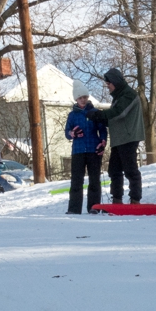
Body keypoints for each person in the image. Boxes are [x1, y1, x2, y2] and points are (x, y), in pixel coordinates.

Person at [86, 68, 144, 204]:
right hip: (119, 139)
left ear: (115, 82)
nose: (108, 87)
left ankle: (135, 199)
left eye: (109, 84)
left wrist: (98, 114)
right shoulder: (118, 97)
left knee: (130, 170)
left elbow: (119, 113)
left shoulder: (129, 95)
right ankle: (117, 199)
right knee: (114, 170)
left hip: (129, 137)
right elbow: (112, 119)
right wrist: (95, 114)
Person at [64, 80, 107, 214]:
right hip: (78, 151)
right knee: (76, 180)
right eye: (80, 98)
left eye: (85, 97)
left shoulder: (94, 112)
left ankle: (94, 207)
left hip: (93, 150)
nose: (83, 100)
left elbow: (103, 130)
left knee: (94, 179)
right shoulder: (72, 115)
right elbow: (67, 132)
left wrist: (103, 142)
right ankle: (74, 209)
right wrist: (72, 133)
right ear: (76, 99)